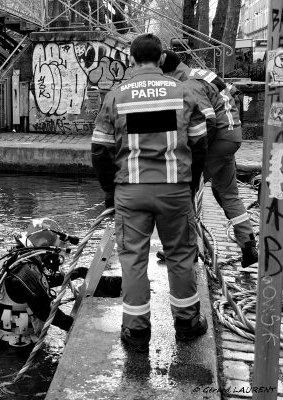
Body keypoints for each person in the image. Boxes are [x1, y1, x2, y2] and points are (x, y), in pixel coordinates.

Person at [91, 33, 208, 353]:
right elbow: (200, 144)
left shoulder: (116, 96)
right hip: (174, 191)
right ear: (160, 59)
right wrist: (191, 183)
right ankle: (186, 325)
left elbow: (100, 150)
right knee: (181, 257)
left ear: (131, 59)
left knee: (133, 260)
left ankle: (136, 332)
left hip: (131, 191)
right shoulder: (184, 92)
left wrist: (110, 192)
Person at [160, 50, 259, 269]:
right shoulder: (203, 74)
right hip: (232, 136)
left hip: (217, 141)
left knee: (186, 189)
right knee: (227, 193)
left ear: (168, 72)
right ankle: (248, 246)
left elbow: (208, 120)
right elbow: (235, 92)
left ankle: (186, 249)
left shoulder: (188, 85)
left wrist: (199, 154)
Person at [0, 218, 121, 348]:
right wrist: (74, 327)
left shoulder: (17, 260)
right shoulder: (25, 272)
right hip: (17, 346)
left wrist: (78, 273)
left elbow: (44, 282)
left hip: (8, 338)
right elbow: (45, 310)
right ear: (45, 250)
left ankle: (118, 287)